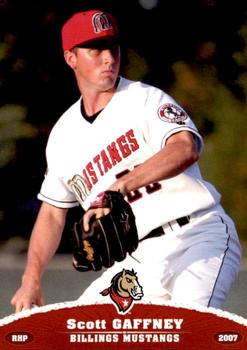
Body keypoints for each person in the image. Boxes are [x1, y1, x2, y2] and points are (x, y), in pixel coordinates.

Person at [11, 9, 242, 313]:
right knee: (80, 329)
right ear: (71, 58)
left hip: (198, 236)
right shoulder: (63, 136)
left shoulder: (145, 100)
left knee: (186, 329)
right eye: (95, 49)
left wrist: (118, 188)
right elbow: (53, 213)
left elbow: (185, 148)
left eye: (113, 47)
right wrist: (31, 280)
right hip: (140, 259)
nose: (108, 57)